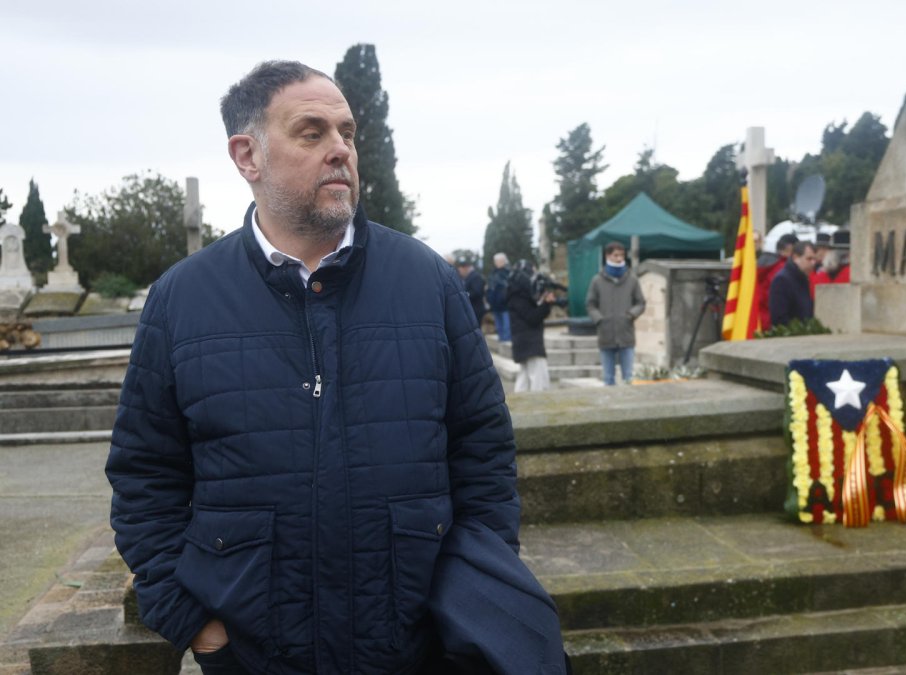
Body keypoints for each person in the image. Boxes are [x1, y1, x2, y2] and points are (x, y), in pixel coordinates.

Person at [106, 61, 565, 675]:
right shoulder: (182, 299)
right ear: (247, 155)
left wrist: (472, 590)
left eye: (347, 133)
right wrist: (197, 625)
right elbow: (145, 477)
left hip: (414, 647)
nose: (340, 150)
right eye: (312, 132)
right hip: (255, 656)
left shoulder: (427, 282)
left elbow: (482, 452)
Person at [586, 241, 645, 386]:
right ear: (608, 256)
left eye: (622, 255)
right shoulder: (597, 280)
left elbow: (641, 302)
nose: (619, 259)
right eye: (615, 255)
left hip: (626, 335)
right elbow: (590, 304)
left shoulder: (632, 279)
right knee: (608, 378)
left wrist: (631, 315)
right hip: (606, 335)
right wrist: (599, 319)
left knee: (628, 378)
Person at [507, 260, 554, 392]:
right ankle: (538, 407)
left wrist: (544, 303)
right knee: (539, 379)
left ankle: (518, 407)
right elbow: (532, 317)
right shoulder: (519, 297)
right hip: (530, 343)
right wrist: (545, 304)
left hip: (524, 343)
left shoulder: (517, 295)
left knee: (525, 377)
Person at [769, 240, 820, 327]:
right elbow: (779, 318)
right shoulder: (782, 280)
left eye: (814, 259)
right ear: (795, 258)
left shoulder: (804, 277)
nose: (813, 263)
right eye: (809, 259)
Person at [755, 234, 799, 331]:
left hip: (758, 320)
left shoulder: (763, 265)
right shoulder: (783, 269)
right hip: (774, 324)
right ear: (789, 249)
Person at [456, 255, 488, 327]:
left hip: (476, 309)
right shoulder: (467, 277)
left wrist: (464, 295)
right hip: (472, 309)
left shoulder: (475, 277)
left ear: (466, 268)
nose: (460, 272)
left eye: (460, 270)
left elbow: (477, 292)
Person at [487, 253, 512, 342]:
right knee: (498, 324)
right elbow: (490, 287)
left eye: (498, 260)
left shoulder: (508, 272)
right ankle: (502, 339)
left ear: (503, 261)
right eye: (495, 261)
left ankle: (507, 340)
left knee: (506, 324)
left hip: (505, 303)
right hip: (495, 303)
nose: (496, 262)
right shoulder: (493, 273)